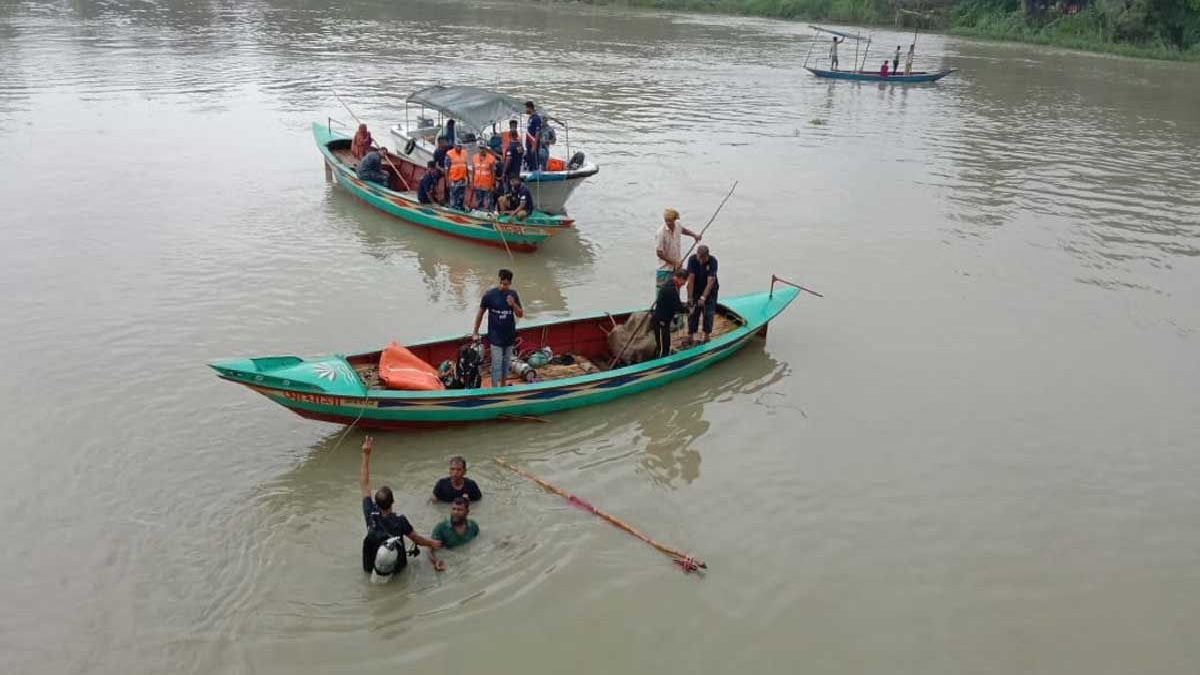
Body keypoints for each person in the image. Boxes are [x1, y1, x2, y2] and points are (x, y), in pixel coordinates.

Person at [359, 436, 442, 582]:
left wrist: (365, 455)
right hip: (396, 567)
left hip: (373, 563)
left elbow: (364, 484)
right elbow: (417, 539)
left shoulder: (370, 513)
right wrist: (432, 543)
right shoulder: (400, 521)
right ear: (393, 502)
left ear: (376, 503)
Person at [472, 268, 524, 387]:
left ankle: (503, 385)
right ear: (499, 281)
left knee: (506, 363)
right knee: (496, 363)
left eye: (505, 284)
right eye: (501, 283)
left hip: (509, 336)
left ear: (510, 283)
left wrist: (514, 304)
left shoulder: (513, 295)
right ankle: (495, 387)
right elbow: (480, 313)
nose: (503, 286)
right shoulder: (489, 295)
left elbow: (520, 314)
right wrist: (475, 331)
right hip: (495, 337)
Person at [426, 498, 479, 572]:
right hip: (449, 563)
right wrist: (435, 561)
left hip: (466, 560)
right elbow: (429, 549)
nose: (455, 512)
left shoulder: (473, 526)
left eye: (460, 510)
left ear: (467, 512)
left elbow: (479, 540)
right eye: (453, 509)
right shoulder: (441, 528)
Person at [655, 208, 701, 291]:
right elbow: (659, 253)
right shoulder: (660, 233)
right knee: (662, 292)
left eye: (671, 221)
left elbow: (682, 230)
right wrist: (674, 262)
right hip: (665, 269)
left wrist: (694, 235)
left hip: (677, 268)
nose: (668, 223)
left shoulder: (678, 225)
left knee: (676, 290)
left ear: (675, 220)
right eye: (666, 221)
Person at [684, 244, 719, 346]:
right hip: (695, 289)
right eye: (699, 258)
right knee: (693, 312)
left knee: (708, 313)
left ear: (707, 256)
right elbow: (691, 279)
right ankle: (690, 336)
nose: (700, 261)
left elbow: (710, 281)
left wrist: (703, 297)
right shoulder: (692, 259)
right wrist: (690, 297)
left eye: (703, 259)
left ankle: (707, 336)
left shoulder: (713, 261)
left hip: (710, 291)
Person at [652, 270, 688, 359]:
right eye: (684, 281)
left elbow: (675, 303)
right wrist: (688, 310)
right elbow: (678, 307)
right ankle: (661, 359)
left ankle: (665, 354)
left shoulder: (671, 284)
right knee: (662, 342)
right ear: (680, 278)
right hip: (661, 320)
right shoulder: (670, 289)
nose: (684, 284)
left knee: (666, 339)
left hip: (665, 319)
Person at [470, 142, 497, 211]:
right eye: (480, 148)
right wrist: (472, 182)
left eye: (483, 148)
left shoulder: (491, 158)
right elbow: (473, 171)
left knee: (489, 202)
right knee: (478, 202)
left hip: (487, 184)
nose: (481, 150)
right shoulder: (474, 157)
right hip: (477, 183)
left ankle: (490, 213)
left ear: (486, 149)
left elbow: (493, 172)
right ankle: (478, 213)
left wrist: (492, 184)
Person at [445, 139, 469, 210]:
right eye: (458, 146)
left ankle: (460, 208)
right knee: (453, 197)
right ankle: (453, 209)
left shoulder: (464, 153)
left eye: (460, 146)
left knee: (461, 197)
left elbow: (466, 166)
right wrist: (447, 180)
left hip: (462, 179)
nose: (459, 148)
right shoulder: (449, 154)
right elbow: (446, 169)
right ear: (454, 146)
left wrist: (468, 178)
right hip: (454, 180)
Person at [523, 101, 542, 171]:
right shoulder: (530, 117)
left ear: (530, 108)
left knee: (534, 159)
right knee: (529, 157)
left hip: (533, 142)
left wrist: (534, 145)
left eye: (526, 108)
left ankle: (535, 170)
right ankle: (529, 168)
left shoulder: (536, 118)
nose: (525, 110)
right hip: (528, 142)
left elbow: (538, 132)